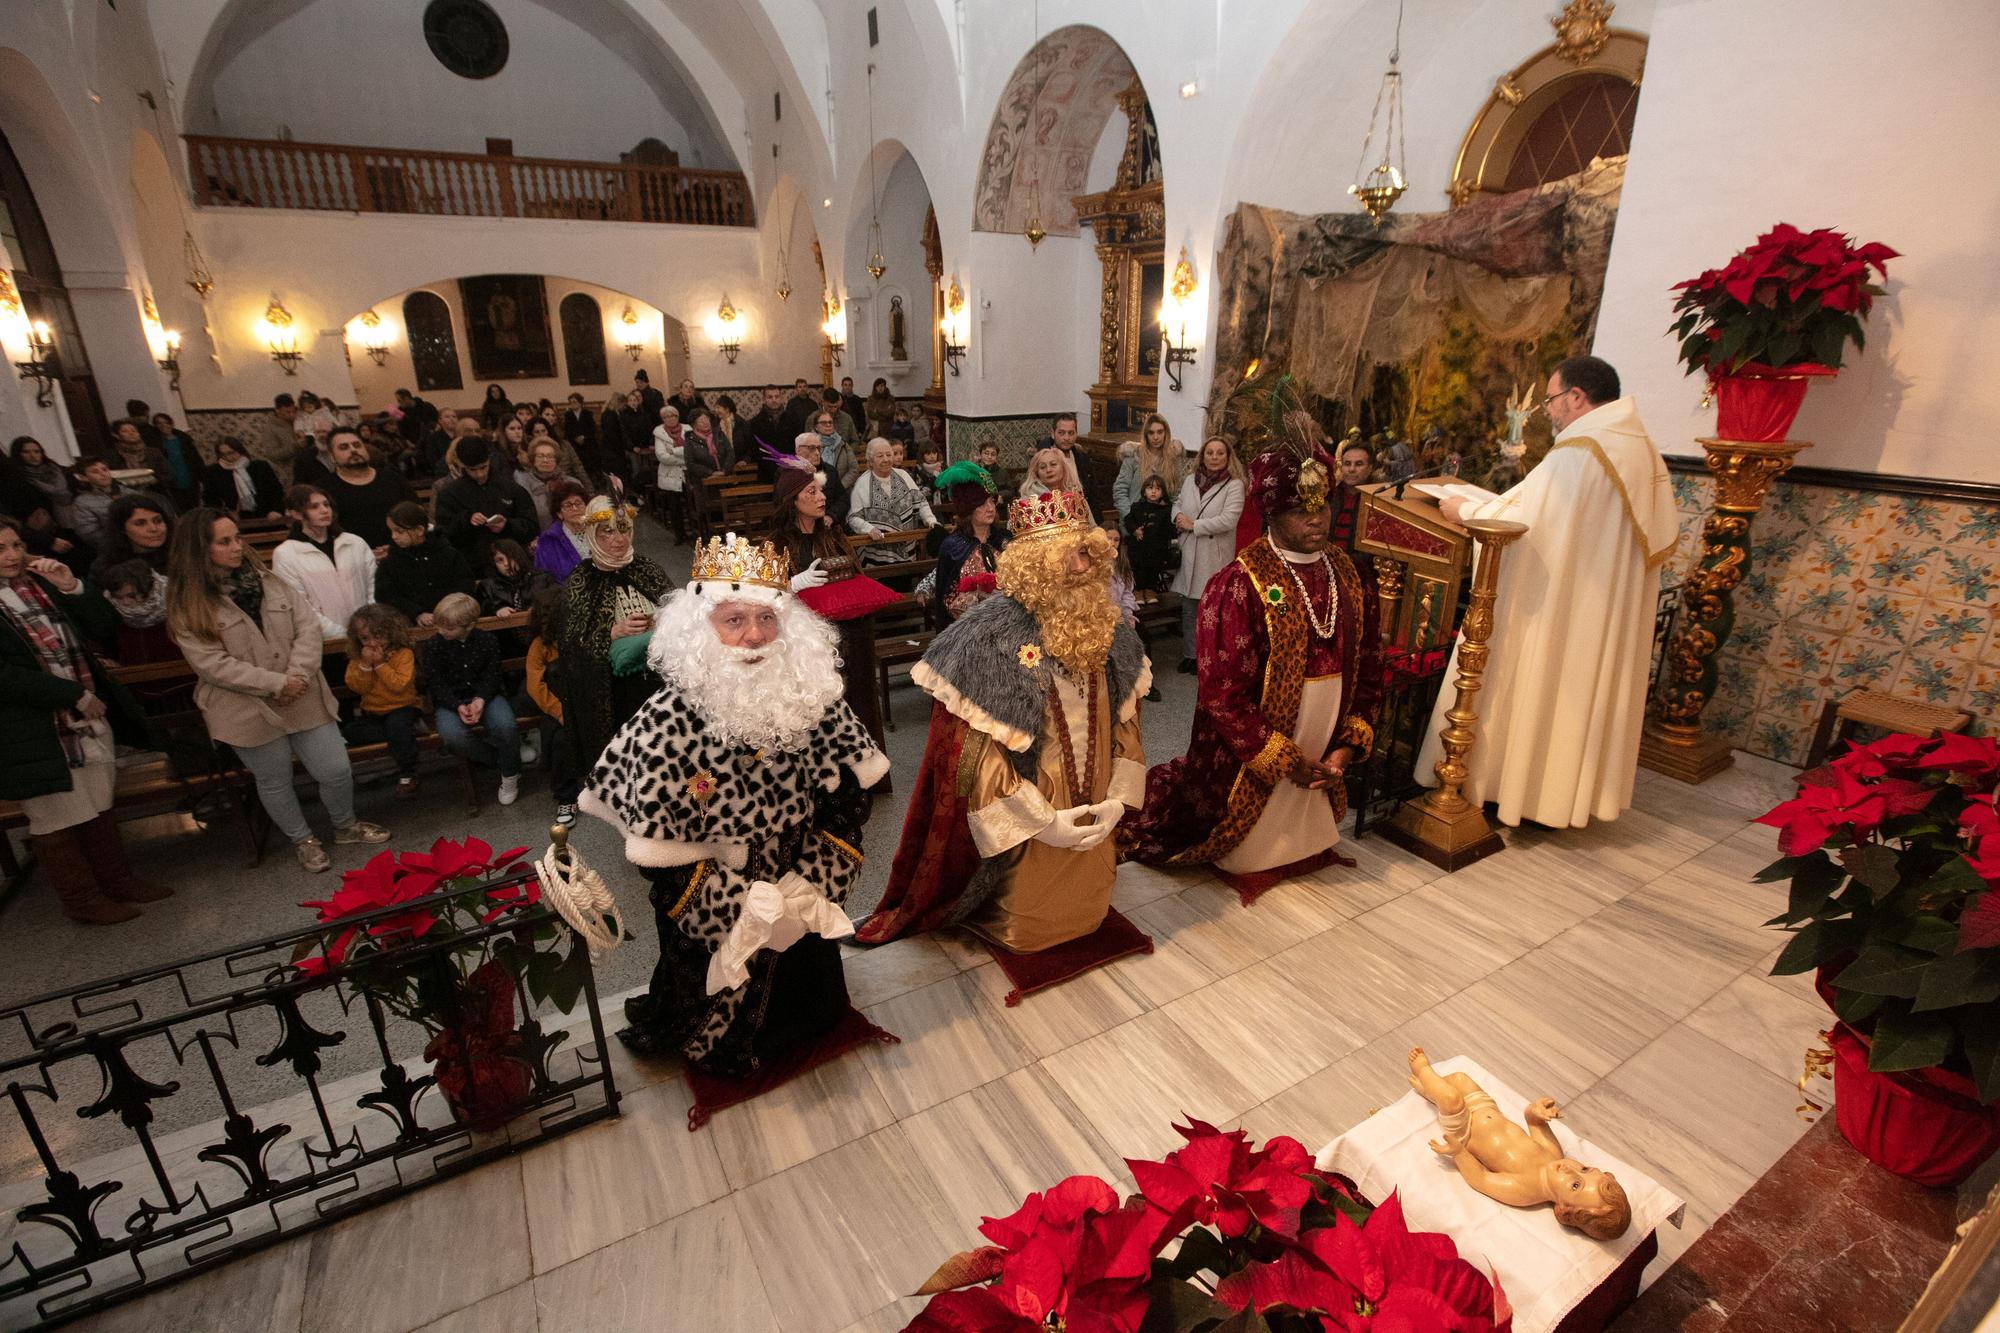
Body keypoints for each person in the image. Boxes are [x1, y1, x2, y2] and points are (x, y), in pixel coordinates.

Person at [581, 536, 890, 1076]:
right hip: (717, 893)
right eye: (734, 620)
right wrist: (742, 910)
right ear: (700, 630)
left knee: (813, 1008)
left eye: (767, 619)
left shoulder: (810, 696)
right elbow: (661, 860)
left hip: (801, 875)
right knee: (727, 1025)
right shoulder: (661, 725)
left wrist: (811, 886)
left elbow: (847, 802)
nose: (754, 637)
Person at [855, 488, 1148, 950]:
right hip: (1030, 830)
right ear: (1035, 564)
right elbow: (971, 757)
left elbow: (1128, 724)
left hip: (1096, 815)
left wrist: (1116, 802)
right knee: (1031, 926)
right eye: (1066, 557)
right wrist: (1042, 821)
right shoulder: (985, 637)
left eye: (1087, 553)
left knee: (1091, 906)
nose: (1081, 567)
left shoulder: (1110, 630)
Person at [1419, 355, 1676, 829]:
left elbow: (1521, 523)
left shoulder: (1583, 451)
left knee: (1545, 677)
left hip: (1563, 613)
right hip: (1596, 615)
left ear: (1577, 397)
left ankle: (1516, 791)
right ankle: (1563, 796)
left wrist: (1461, 510)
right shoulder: (1638, 449)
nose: (1549, 411)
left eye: (1552, 399)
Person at [1121, 440, 1382, 894]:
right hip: (1251, 764)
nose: (1317, 519)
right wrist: (1283, 759)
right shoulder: (1238, 585)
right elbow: (1222, 693)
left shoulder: (1351, 574)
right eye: (1302, 510)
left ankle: (1308, 828)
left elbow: (1371, 665)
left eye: (1323, 507)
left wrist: (1344, 750)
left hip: (1324, 745)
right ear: (1272, 513)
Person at [166, 508, 390, 871]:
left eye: (238, 537)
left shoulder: (268, 580)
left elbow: (307, 627)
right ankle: (303, 840)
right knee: (274, 780)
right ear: (198, 549)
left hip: (302, 692)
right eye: (225, 542)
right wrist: (276, 683)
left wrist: (297, 675)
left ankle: (345, 826)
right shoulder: (188, 605)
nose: (237, 547)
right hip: (246, 706)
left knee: (335, 768)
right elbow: (211, 663)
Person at [0, 517, 165, 924]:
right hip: (32, 732)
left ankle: (118, 880)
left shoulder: (39, 585)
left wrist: (72, 586)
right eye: (1, 549)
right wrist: (72, 695)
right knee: (56, 816)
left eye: (16, 545)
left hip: (84, 714)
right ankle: (82, 900)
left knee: (98, 802)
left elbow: (103, 626)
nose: (12, 555)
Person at [1406, 1047, 1631, 1241]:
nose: (1569, 1168)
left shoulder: (1525, 1191)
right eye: (1584, 1168)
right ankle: (1432, 1091)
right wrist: (1537, 1112)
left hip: (1464, 1129)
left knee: (1451, 1099)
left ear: (1564, 1209)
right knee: (1460, 1079)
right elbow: (1534, 1124)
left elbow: (1481, 1179)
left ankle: (1424, 1072)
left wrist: (1459, 1152)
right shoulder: (1554, 1155)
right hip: (1486, 1108)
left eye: (1574, 1184)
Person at [767, 463, 889, 745]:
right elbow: (762, 598)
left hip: (852, 633)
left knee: (858, 699)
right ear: (793, 501)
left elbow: (857, 576)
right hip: (807, 642)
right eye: (812, 492)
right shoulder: (776, 543)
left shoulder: (833, 534)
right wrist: (793, 584)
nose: (822, 497)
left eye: (821, 490)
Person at [555, 491, 673, 766]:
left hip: (661, 678)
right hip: (616, 690)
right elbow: (572, 644)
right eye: (606, 532)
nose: (618, 539)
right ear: (591, 535)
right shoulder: (581, 581)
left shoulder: (647, 568)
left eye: (623, 530)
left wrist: (660, 620)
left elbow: (679, 610)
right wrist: (613, 632)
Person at [421, 592, 523, 806]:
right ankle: (500, 759)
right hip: (451, 701)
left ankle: (510, 775)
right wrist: (457, 705)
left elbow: (493, 675)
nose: (441, 631)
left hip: (487, 695)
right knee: (452, 736)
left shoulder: (487, 640)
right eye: (439, 626)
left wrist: (481, 699)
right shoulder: (433, 646)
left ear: (467, 626)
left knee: (505, 726)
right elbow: (436, 683)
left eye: (448, 628)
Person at [1169, 437, 1246, 673]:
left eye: (1219, 453)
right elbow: (1178, 503)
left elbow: (1229, 519)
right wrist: (1178, 517)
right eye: (1209, 453)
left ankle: (1209, 657)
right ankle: (1190, 655)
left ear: (1228, 456)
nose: (1214, 457)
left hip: (1213, 554)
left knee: (1212, 609)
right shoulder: (1191, 479)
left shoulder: (1234, 485)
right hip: (1190, 549)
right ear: (1202, 456)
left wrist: (1195, 525)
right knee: (1189, 607)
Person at [270, 484, 374, 639]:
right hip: (323, 642)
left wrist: (368, 627)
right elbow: (300, 605)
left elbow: (373, 586)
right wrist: (341, 635)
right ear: (297, 514)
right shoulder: (286, 554)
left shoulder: (354, 543)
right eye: (314, 507)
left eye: (326, 505)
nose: (325, 510)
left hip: (367, 635)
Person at [342, 603, 422, 795]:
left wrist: (379, 665)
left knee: (398, 728)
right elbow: (358, 687)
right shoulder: (359, 659)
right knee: (349, 732)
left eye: (377, 635)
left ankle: (408, 773)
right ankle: (411, 730)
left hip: (402, 707)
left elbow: (399, 686)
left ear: (390, 631)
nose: (371, 643)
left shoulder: (404, 654)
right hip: (373, 712)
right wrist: (366, 666)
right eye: (364, 638)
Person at [433, 437, 536, 573]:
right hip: (473, 567)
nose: (479, 474)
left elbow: (532, 526)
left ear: (489, 460)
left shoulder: (511, 488)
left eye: (483, 467)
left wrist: (507, 525)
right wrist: (467, 520)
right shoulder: (449, 495)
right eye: (473, 470)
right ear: (462, 465)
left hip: (512, 564)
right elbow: (444, 535)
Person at [524, 586, 581, 824]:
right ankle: (566, 797)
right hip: (556, 705)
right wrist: (560, 712)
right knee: (559, 740)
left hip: (584, 698)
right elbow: (535, 686)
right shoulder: (539, 646)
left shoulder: (580, 636)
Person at [930, 462, 1008, 624]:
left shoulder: (1004, 540)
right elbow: (946, 599)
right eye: (982, 503)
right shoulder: (953, 546)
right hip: (969, 629)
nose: (990, 508)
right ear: (968, 509)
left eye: (992, 501)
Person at [376, 501, 477, 625]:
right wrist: (416, 613)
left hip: (452, 621)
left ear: (419, 530)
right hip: (410, 625)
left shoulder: (449, 554)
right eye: (391, 531)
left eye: (399, 531)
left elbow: (465, 584)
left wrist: (449, 610)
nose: (394, 536)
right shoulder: (390, 561)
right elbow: (386, 594)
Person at [322, 426, 415, 553]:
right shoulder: (324, 489)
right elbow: (324, 531)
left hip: (400, 553)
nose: (353, 450)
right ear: (332, 456)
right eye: (344, 447)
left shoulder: (392, 478)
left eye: (357, 445)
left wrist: (396, 547)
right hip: (351, 558)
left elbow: (416, 514)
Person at [846, 437, 938, 564]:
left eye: (889, 455)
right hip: (877, 553)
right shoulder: (862, 484)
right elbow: (853, 517)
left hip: (907, 549)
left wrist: (930, 520)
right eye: (880, 456)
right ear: (871, 461)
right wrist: (869, 529)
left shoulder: (903, 475)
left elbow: (921, 502)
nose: (886, 459)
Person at [89, 493, 172, 585]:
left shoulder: (182, 553)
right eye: (140, 523)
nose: (153, 528)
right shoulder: (108, 567)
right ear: (122, 529)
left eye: (158, 521)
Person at [1113, 413, 1186, 517]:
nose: (1156, 437)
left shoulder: (1173, 459)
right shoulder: (1133, 457)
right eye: (1151, 433)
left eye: (1160, 432)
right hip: (1133, 519)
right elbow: (1119, 491)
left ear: (1166, 433)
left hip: (1161, 522)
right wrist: (1130, 518)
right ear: (1145, 435)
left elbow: (1176, 497)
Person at [70, 458, 150, 551]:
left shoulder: (128, 492)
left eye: (104, 469)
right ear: (84, 477)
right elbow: (90, 534)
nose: (103, 474)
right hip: (116, 549)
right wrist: (125, 543)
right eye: (95, 471)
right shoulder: (82, 503)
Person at [202, 435, 286, 520]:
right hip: (236, 519)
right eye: (223, 455)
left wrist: (276, 510)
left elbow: (276, 491)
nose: (228, 458)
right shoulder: (214, 472)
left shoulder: (260, 467)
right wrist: (225, 516)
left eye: (231, 453)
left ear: (240, 451)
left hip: (268, 515)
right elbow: (210, 500)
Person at [1123, 473, 1176, 603]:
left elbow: (1169, 529)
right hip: (1138, 547)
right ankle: (1138, 591)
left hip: (1156, 548)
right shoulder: (1136, 507)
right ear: (1144, 491)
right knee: (1138, 569)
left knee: (1153, 569)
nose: (1153, 491)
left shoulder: (1166, 510)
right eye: (1150, 488)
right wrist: (1135, 530)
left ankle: (1151, 590)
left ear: (1162, 493)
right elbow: (1128, 520)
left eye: (1158, 489)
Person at [532, 478, 593, 584]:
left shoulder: (600, 530)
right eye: (568, 505)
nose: (574, 508)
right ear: (559, 513)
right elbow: (544, 582)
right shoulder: (547, 542)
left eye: (578, 503)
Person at [10, 436, 77, 529]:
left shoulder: (58, 470)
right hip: (48, 526)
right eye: (26, 452)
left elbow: (76, 491)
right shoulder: (19, 479)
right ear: (18, 454)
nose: (33, 456)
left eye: (37, 451)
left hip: (76, 515)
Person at [683, 408, 729, 541]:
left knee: (723, 510)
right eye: (701, 421)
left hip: (723, 479)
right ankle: (709, 541)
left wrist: (724, 470)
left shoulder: (718, 434)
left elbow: (730, 453)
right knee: (708, 512)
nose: (705, 423)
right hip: (703, 483)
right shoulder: (690, 440)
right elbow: (690, 463)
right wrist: (710, 472)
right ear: (694, 424)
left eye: (707, 419)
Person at [515, 439, 580, 530]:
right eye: (540, 456)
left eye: (550, 456)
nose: (545, 460)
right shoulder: (523, 481)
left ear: (557, 460)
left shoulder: (572, 483)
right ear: (533, 459)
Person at [478, 537, 554, 615]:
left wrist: (539, 607)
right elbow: (481, 611)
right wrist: (496, 611)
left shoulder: (542, 579)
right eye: (500, 560)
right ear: (494, 563)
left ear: (519, 557)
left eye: (510, 558)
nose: (506, 564)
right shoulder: (487, 587)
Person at [148, 413, 203, 509]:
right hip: (170, 478)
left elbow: (195, 458)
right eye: (159, 423)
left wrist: (202, 476)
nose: (163, 426)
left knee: (193, 503)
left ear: (171, 424)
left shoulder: (183, 439)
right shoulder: (155, 442)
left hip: (188, 474)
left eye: (165, 422)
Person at [652, 405, 689, 542]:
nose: (670, 419)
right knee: (675, 507)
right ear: (663, 419)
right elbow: (662, 456)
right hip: (670, 475)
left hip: (687, 474)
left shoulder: (687, 429)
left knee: (692, 503)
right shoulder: (659, 433)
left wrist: (674, 451)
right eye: (667, 416)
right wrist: (682, 457)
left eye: (673, 415)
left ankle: (694, 531)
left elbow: (691, 451)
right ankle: (679, 534)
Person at [249, 393, 302, 486]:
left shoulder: (301, 420)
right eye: (287, 412)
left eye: (293, 411)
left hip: (308, 467)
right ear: (277, 411)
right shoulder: (270, 429)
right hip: (290, 472)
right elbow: (272, 455)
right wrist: (295, 447)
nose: (292, 415)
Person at [109, 420, 174, 492]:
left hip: (155, 491)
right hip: (127, 493)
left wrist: (155, 480)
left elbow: (168, 474)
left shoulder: (153, 452)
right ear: (117, 435)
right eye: (125, 431)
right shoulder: (113, 455)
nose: (131, 433)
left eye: (134, 430)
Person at [810, 406, 858, 486]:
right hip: (817, 489)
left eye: (830, 422)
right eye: (823, 423)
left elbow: (854, 469)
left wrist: (840, 486)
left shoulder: (843, 445)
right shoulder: (810, 445)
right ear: (816, 427)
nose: (828, 425)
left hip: (841, 488)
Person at [561, 393, 599, 478]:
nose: (573, 404)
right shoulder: (568, 415)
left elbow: (592, 428)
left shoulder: (587, 413)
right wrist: (575, 438)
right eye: (571, 402)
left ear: (580, 402)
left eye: (575, 402)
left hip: (588, 442)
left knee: (590, 462)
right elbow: (567, 430)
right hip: (574, 443)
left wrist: (584, 436)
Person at [779, 376, 819, 442]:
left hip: (810, 434)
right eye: (800, 387)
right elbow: (788, 420)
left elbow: (816, 419)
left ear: (807, 388)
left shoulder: (813, 404)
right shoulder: (791, 403)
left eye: (804, 386)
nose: (802, 389)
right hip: (796, 435)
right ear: (796, 389)